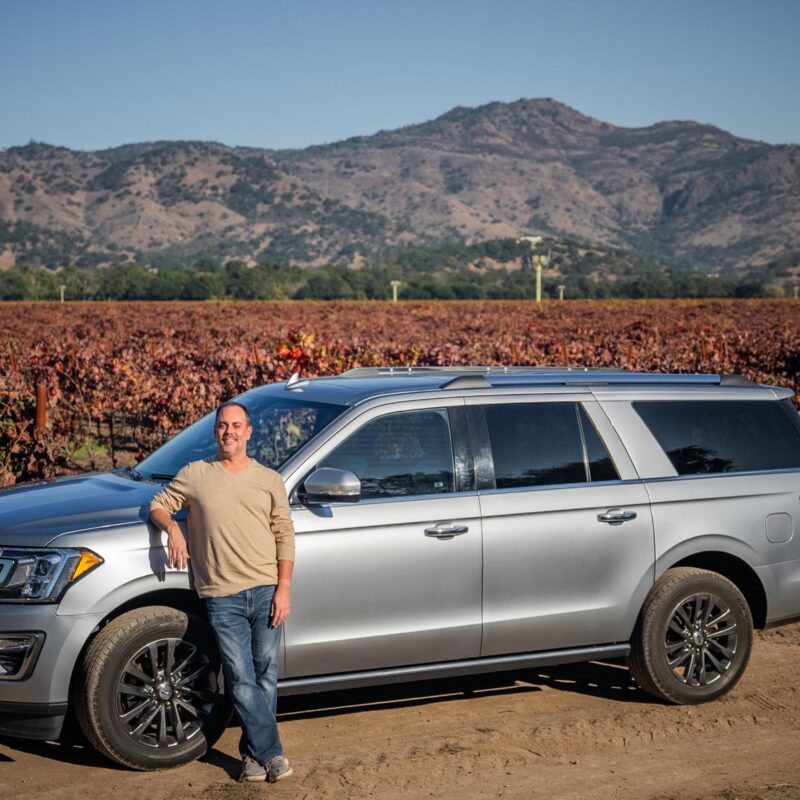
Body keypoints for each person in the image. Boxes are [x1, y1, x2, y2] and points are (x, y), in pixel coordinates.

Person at [149, 401, 295, 783]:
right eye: (221, 426)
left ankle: (253, 757)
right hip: (222, 595)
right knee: (240, 677)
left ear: (249, 433)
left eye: (236, 426)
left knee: (265, 676)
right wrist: (174, 529)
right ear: (215, 432)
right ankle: (274, 754)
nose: (228, 432)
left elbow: (285, 536)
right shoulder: (197, 474)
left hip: (266, 590)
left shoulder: (269, 480)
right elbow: (159, 505)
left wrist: (284, 588)